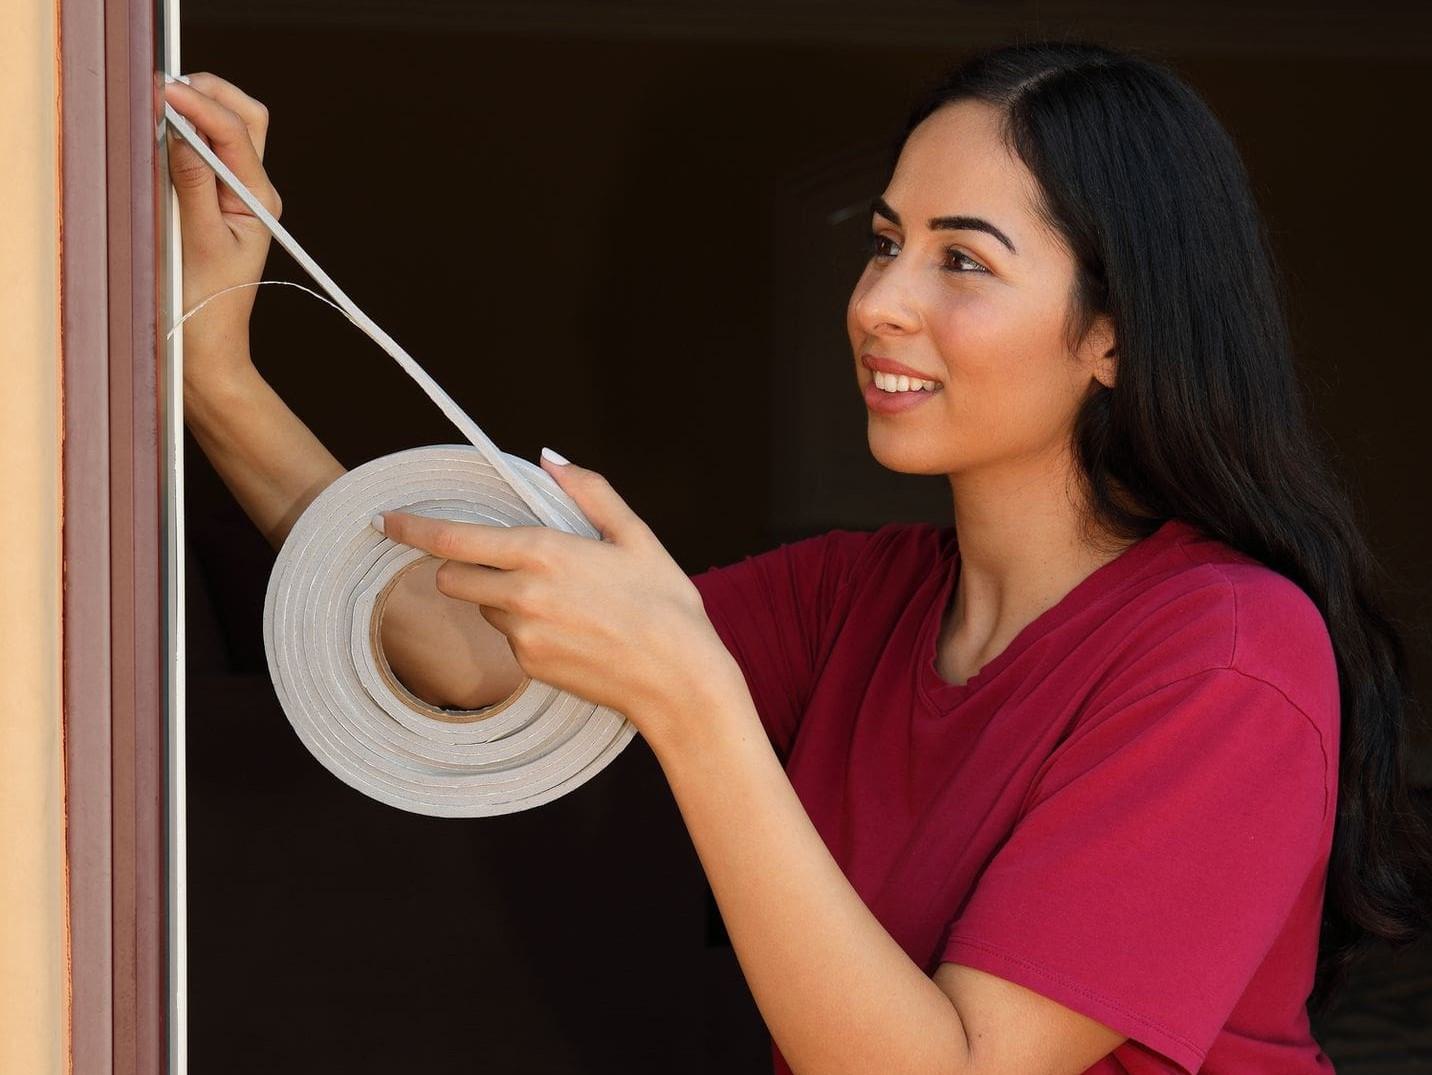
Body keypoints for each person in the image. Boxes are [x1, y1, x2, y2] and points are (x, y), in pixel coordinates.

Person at [163, 39, 1431, 1074]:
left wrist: (691, 696)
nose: (878, 299)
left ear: (1115, 333)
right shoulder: (857, 593)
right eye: (887, 239)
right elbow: (464, 653)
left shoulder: (1226, 655)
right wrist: (216, 365)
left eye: (961, 261)